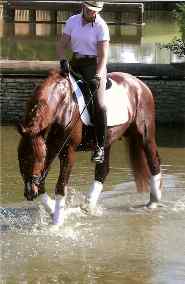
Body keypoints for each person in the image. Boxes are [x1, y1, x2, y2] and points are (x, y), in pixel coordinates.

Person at [58, 0, 110, 164]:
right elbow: (62, 45)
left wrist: (99, 75)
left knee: (99, 104)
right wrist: (62, 60)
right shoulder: (72, 21)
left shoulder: (102, 26)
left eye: (95, 10)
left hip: (94, 65)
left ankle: (100, 147)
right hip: (75, 63)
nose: (92, 13)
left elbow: (103, 56)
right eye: (90, 9)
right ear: (83, 7)